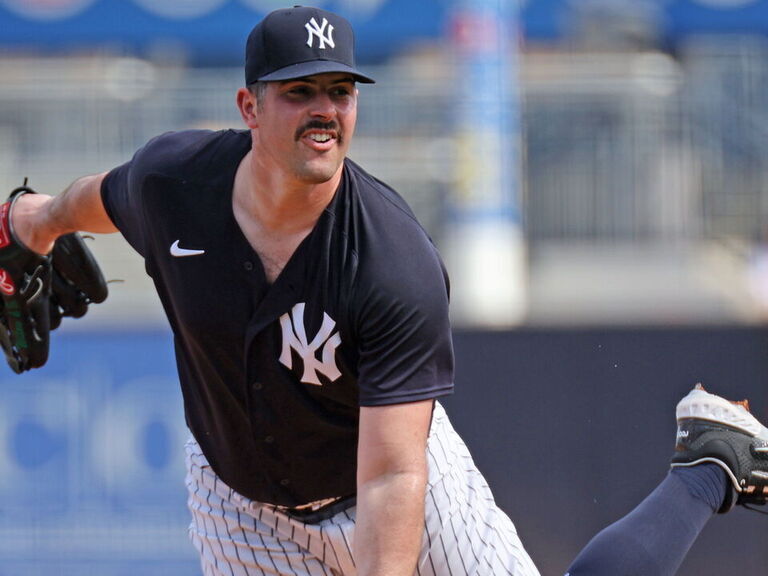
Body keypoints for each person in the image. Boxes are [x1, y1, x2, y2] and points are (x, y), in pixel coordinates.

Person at [5, 6, 766, 576]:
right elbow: (89, 201)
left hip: (392, 486)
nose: (324, 112)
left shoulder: (389, 260)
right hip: (238, 505)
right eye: (300, 91)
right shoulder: (176, 182)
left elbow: (393, 475)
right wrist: (27, 221)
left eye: (340, 91)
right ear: (250, 108)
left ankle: (708, 461)